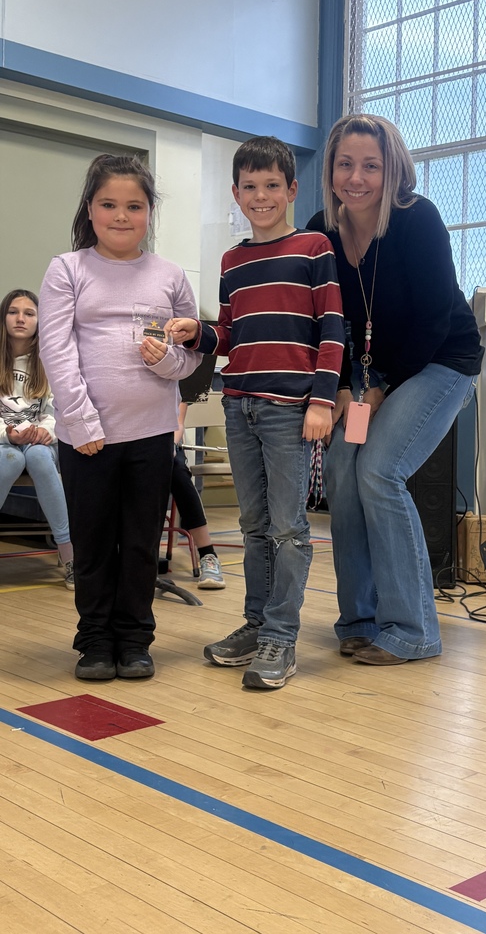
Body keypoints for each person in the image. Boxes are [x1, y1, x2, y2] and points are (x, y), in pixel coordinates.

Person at [167, 136, 345, 690]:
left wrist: (321, 400)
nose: (261, 196)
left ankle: (281, 636)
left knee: (290, 528)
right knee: (253, 525)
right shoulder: (232, 260)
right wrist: (200, 333)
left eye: (272, 185)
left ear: (292, 189)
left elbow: (333, 334)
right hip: (238, 404)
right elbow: (230, 333)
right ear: (236, 193)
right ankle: (254, 624)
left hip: (289, 409)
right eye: (250, 186)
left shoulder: (315, 248)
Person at [307, 114, 484, 665]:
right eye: (345, 164)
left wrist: (380, 388)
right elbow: (321, 319)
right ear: (331, 168)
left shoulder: (417, 219)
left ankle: (413, 629)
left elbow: (433, 318)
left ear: (393, 171)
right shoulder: (321, 231)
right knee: (341, 471)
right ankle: (359, 619)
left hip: (439, 361)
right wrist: (339, 384)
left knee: (380, 472)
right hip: (365, 371)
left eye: (371, 166)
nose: (356, 177)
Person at [39, 154, 201, 682]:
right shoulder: (67, 269)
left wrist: (170, 361)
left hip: (151, 435)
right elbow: (56, 351)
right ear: (90, 209)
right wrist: (83, 424)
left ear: (149, 212)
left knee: (139, 541)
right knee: (93, 540)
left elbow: (191, 355)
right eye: (109, 205)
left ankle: (134, 639)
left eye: (134, 206)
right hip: (86, 437)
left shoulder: (170, 275)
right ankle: (94, 641)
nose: (122, 216)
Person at [0, 289, 74, 589]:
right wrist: (7, 433)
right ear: (3, 318)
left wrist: (48, 429)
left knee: (39, 457)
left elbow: (58, 407)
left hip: (40, 443)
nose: (21, 319)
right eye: (13, 312)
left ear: (39, 320)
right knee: (11, 458)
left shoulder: (49, 360)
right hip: (5, 442)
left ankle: (70, 555)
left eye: (29, 313)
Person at [171, 400, 226, 589]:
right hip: (124, 443)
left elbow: (178, 422)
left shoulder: (175, 377)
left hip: (166, 445)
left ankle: (208, 555)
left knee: (177, 472)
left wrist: (169, 447)